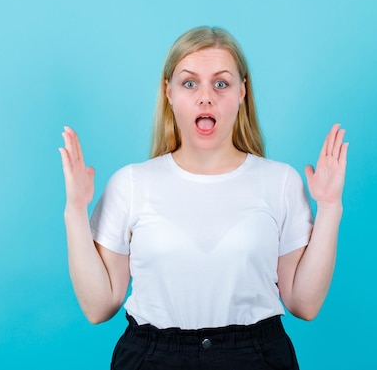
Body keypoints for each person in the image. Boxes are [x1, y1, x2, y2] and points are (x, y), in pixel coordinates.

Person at [59, 26, 348, 370]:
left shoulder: (280, 181)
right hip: (154, 357)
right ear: (168, 92)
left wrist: (329, 207)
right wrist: (75, 211)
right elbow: (99, 307)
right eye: (190, 83)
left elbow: (304, 304)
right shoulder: (131, 183)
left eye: (221, 83)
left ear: (243, 91)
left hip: (255, 356)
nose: (206, 96)